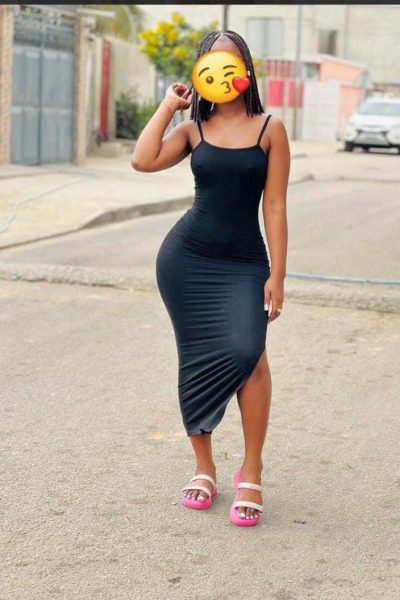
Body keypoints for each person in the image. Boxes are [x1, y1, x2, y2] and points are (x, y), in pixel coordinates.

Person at [131, 30, 290, 527]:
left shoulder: (270, 129)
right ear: (201, 72)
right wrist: (169, 107)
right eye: (211, 63)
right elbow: (142, 160)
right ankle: (204, 467)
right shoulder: (194, 130)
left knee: (249, 353)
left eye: (231, 62)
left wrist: (278, 274)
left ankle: (252, 468)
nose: (221, 72)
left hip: (244, 263)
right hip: (187, 260)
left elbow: (275, 206)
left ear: (245, 69)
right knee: (196, 359)